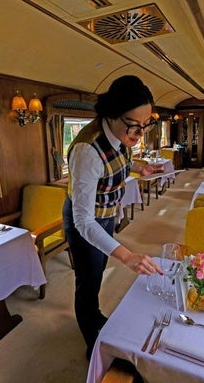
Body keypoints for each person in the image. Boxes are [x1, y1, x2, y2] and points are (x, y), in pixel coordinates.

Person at [62, 75, 163, 360]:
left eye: (146, 125)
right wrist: (127, 256)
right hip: (85, 222)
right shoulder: (86, 151)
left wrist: (138, 170)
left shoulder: (121, 135)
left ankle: (94, 318)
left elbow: (113, 168)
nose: (139, 133)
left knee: (98, 272)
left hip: (104, 218)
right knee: (88, 282)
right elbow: (84, 222)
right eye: (134, 125)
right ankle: (91, 344)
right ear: (111, 114)